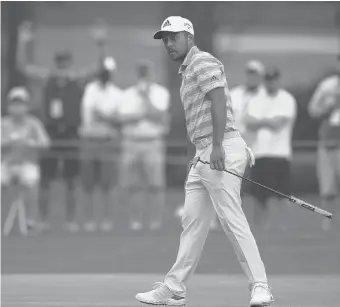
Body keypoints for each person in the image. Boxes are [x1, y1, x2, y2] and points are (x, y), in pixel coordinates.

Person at [135, 16, 273, 307]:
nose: (169, 44)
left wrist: (218, 146)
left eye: (174, 38)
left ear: (189, 37)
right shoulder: (186, 71)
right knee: (193, 223)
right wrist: (202, 154)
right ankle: (174, 288)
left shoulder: (202, 61)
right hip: (205, 154)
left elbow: (218, 101)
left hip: (221, 148)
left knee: (232, 220)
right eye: (165, 40)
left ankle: (260, 286)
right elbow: (201, 120)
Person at [16, 21, 105, 232]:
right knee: (46, 179)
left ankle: (71, 220)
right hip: (50, 133)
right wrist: (22, 40)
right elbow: (22, 66)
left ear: (70, 63)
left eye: (65, 62)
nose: (62, 65)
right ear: (55, 63)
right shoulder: (47, 78)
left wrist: (101, 43)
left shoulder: (77, 79)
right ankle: (44, 219)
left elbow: (100, 68)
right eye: (59, 62)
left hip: (71, 133)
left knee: (72, 180)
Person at [117, 60, 170, 231]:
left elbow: (159, 115)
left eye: (146, 73)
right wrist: (143, 114)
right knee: (133, 184)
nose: (144, 76)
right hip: (131, 142)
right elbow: (123, 118)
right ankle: (135, 220)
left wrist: (146, 98)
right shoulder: (127, 94)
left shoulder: (161, 93)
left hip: (153, 142)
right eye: (141, 73)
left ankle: (155, 221)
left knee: (156, 184)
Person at [244, 67, 297, 230]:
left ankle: (284, 227)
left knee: (283, 194)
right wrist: (268, 121)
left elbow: (278, 124)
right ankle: (262, 227)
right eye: (268, 79)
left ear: (278, 80)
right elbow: (248, 122)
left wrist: (260, 121)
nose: (270, 83)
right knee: (259, 195)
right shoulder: (256, 99)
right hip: (259, 152)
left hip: (280, 154)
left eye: (273, 79)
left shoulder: (286, 99)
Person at [79, 57, 123, 232]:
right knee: (88, 183)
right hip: (89, 139)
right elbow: (90, 114)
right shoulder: (90, 89)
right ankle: (89, 220)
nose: (105, 75)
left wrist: (104, 116)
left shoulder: (118, 93)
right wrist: (107, 116)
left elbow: (117, 118)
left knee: (107, 183)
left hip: (107, 141)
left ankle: (107, 220)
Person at [1, 87, 50, 231]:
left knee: (31, 181)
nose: (17, 108)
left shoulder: (33, 124)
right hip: (7, 163)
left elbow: (45, 143)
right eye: (14, 104)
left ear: (26, 106)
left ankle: (31, 220)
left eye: (20, 104)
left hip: (27, 164)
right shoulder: (3, 124)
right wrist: (8, 143)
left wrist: (30, 143)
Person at [308, 58, 340, 231]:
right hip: (329, 140)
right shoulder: (327, 86)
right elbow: (313, 109)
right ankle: (327, 223)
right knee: (328, 186)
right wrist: (328, 107)